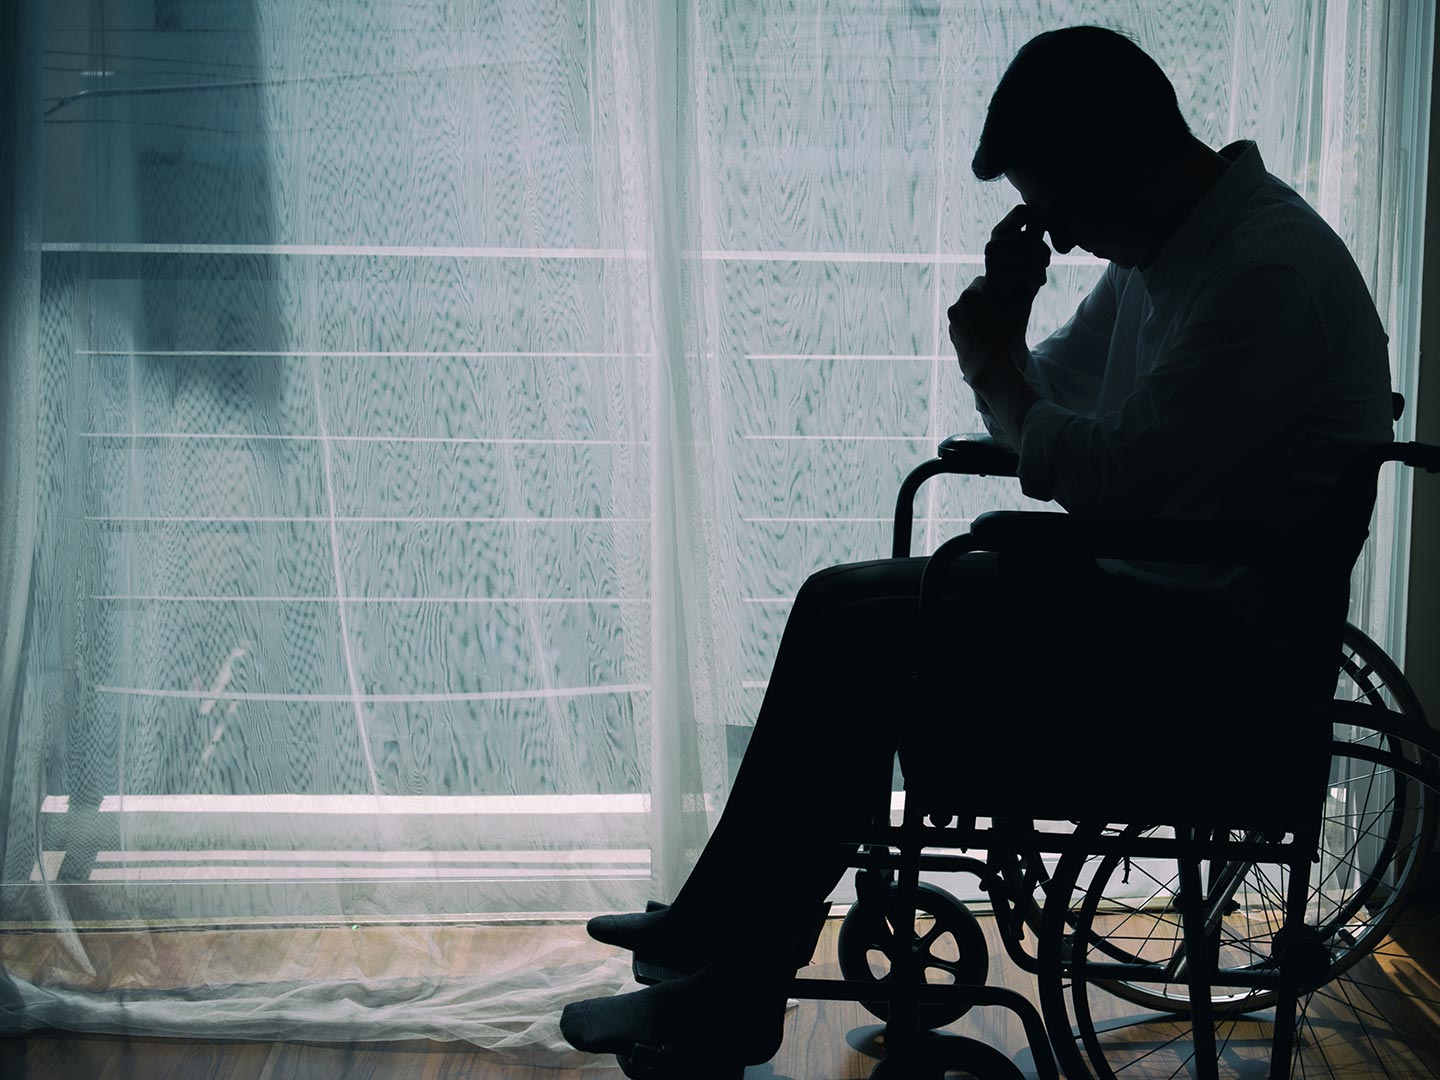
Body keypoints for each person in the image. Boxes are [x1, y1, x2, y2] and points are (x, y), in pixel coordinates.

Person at [558, 24, 1393, 1072]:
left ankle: (730, 984)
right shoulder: (1170, 252)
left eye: (1062, 204)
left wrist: (1000, 371)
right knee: (837, 599)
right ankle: (721, 927)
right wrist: (1009, 335)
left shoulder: (1263, 278)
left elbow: (1098, 474)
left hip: (1212, 642)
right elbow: (1057, 401)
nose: (1067, 238)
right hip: (1162, 593)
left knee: (872, 641)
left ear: (1123, 157)